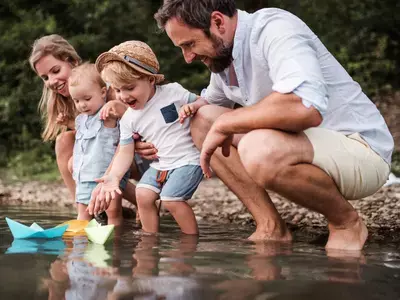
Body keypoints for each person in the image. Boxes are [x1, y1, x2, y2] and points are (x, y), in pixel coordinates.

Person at [153, 0, 394, 250]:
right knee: (201, 121)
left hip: (361, 151)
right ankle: (271, 226)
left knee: (259, 149)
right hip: (308, 147)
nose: (188, 58)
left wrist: (227, 122)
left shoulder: (274, 28)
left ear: (217, 22)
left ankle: (346, 223)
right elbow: (206, 107)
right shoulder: (224, 58)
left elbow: (304, 106)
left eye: (190, 44)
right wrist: (150, 141)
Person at [90, 41, 207, 235]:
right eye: (118, 90)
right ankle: (149, 239)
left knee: (171, 199)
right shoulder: (128, 118)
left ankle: (190, 241)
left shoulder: (173, 93)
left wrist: (194, 107)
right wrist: (114, 176)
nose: (124, 96)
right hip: (161, 164)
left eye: (129, 88)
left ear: (150, 80)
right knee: (142, 195)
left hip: (188, 159)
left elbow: (204, 100)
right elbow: (125, 152)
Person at [29, 34, 141, 214]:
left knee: (81, 162)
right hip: (107, 158)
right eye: (45, 77)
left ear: (71, 61)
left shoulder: (105, 89)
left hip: (135, 152)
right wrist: (71, 123)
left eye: (55, 71)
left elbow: (134, 125)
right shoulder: (73, 100)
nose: (51, 81)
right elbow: (93, 134)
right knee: (64, 140)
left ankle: (131, 202)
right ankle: (85, 208)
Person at [66, 63, 129, 224]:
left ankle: (117, 243)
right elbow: (82, 142)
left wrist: (114, 105)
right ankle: (80, 245)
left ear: (102, 92)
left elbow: (128, 114)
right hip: (83, 176)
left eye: (87, 99)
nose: (82, 104)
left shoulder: (107, 114)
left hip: (105, 177)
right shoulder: (80, 120)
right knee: (83, 214)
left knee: (113, 212)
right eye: (77, 101)